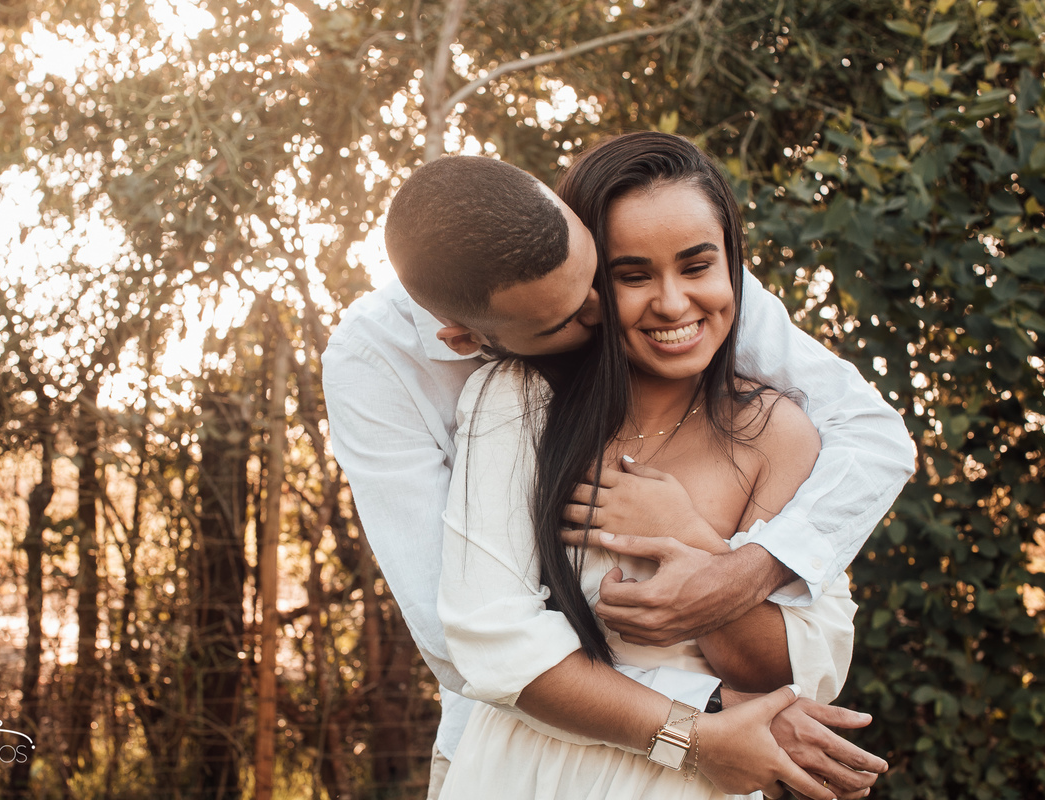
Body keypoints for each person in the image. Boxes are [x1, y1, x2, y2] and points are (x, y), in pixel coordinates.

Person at [321, 144, 915, 797]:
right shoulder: (451, 384)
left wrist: (732, 563)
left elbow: (872, 435)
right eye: (578, 311)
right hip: (522, 753)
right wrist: (709, 724)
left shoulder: (668, 277)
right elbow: (471, 637)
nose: (611, 312)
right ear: (466, 339)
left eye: (598, 277)